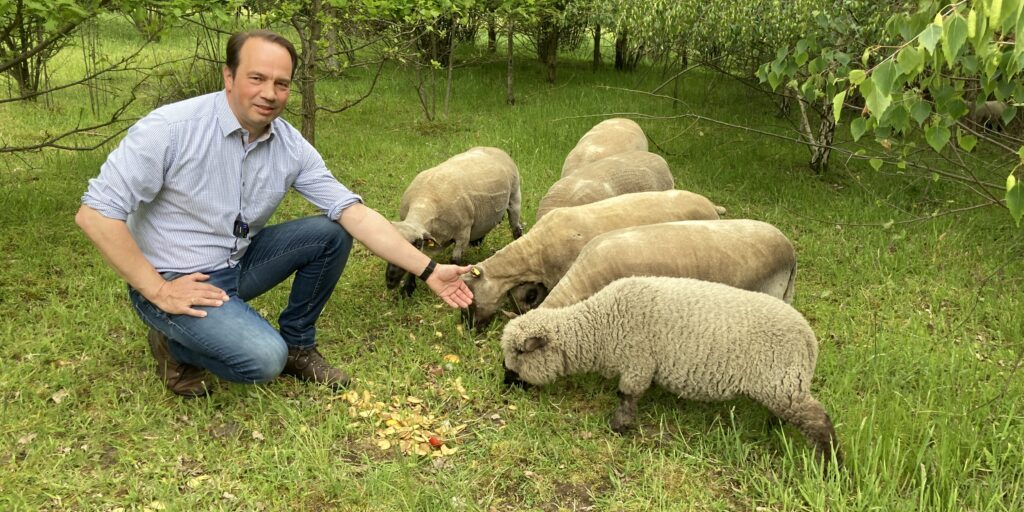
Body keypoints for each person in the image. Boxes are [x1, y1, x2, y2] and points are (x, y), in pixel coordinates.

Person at [76, 29, 473, 398]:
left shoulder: (289, 145)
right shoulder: (170, 129)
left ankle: (299, 345)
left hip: (236, 262)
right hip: (174, 276)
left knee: (332, 232)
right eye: (257, 78)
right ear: (228, 76)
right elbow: (96, 214)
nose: (270, 93)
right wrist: (158, 290)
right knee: (264, 360)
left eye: (281, 83)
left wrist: (430, 270)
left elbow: (355, 213)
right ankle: (174, 343)